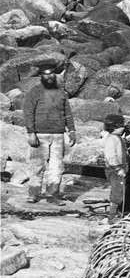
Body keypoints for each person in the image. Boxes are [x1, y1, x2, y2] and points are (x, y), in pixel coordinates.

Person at [23, 65, 76, 205]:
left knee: (56, 166)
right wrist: (31, 133)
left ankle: (53, 195)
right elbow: (28, 113)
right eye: (46, 74)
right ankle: (34, 193)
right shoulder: (34, 92)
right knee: (37, 165)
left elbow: (68, 113)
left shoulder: (61, 93)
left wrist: (72, 131)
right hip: (39, 135)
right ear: (41, 76)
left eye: (51, 73)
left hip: (58, 135)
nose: (49, 77)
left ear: (55, 75)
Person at [102, 114, 130, 224]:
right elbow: (111, 157)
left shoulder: (118, 138)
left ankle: (116, 213)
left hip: (120, 169)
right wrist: (119, 169)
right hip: (115, 170)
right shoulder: (111, 140)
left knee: (120, 191)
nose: (124, 128)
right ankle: (112, 217)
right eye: (122, 126)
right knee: (117, 193)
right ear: (114, 127)